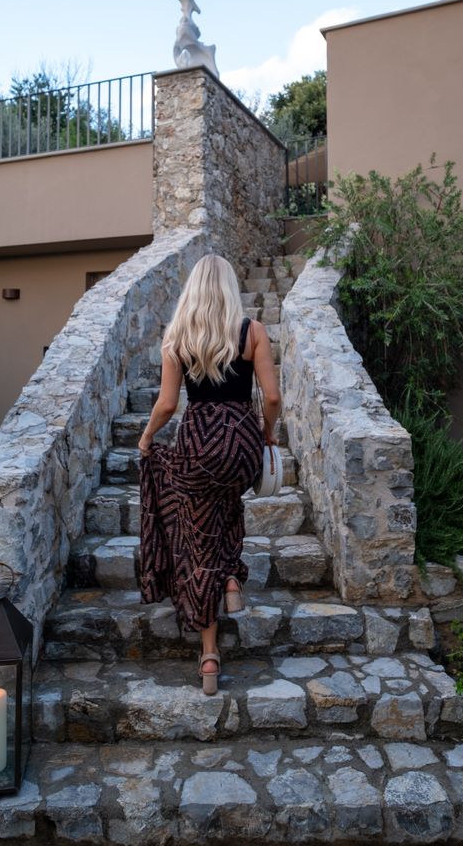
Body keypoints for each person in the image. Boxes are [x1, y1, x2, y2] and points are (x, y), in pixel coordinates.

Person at [138, 254, 281, 695]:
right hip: (241, 444)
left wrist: (146, 439)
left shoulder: (178, 335)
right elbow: (272, 398)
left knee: (199, 537)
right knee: (227, 505)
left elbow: (167, 404)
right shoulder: (253, 331)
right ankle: (232, 577)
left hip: (198, 444)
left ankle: (209, 656)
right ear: (230, 289)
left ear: (194, 290)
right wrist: (267, 433)